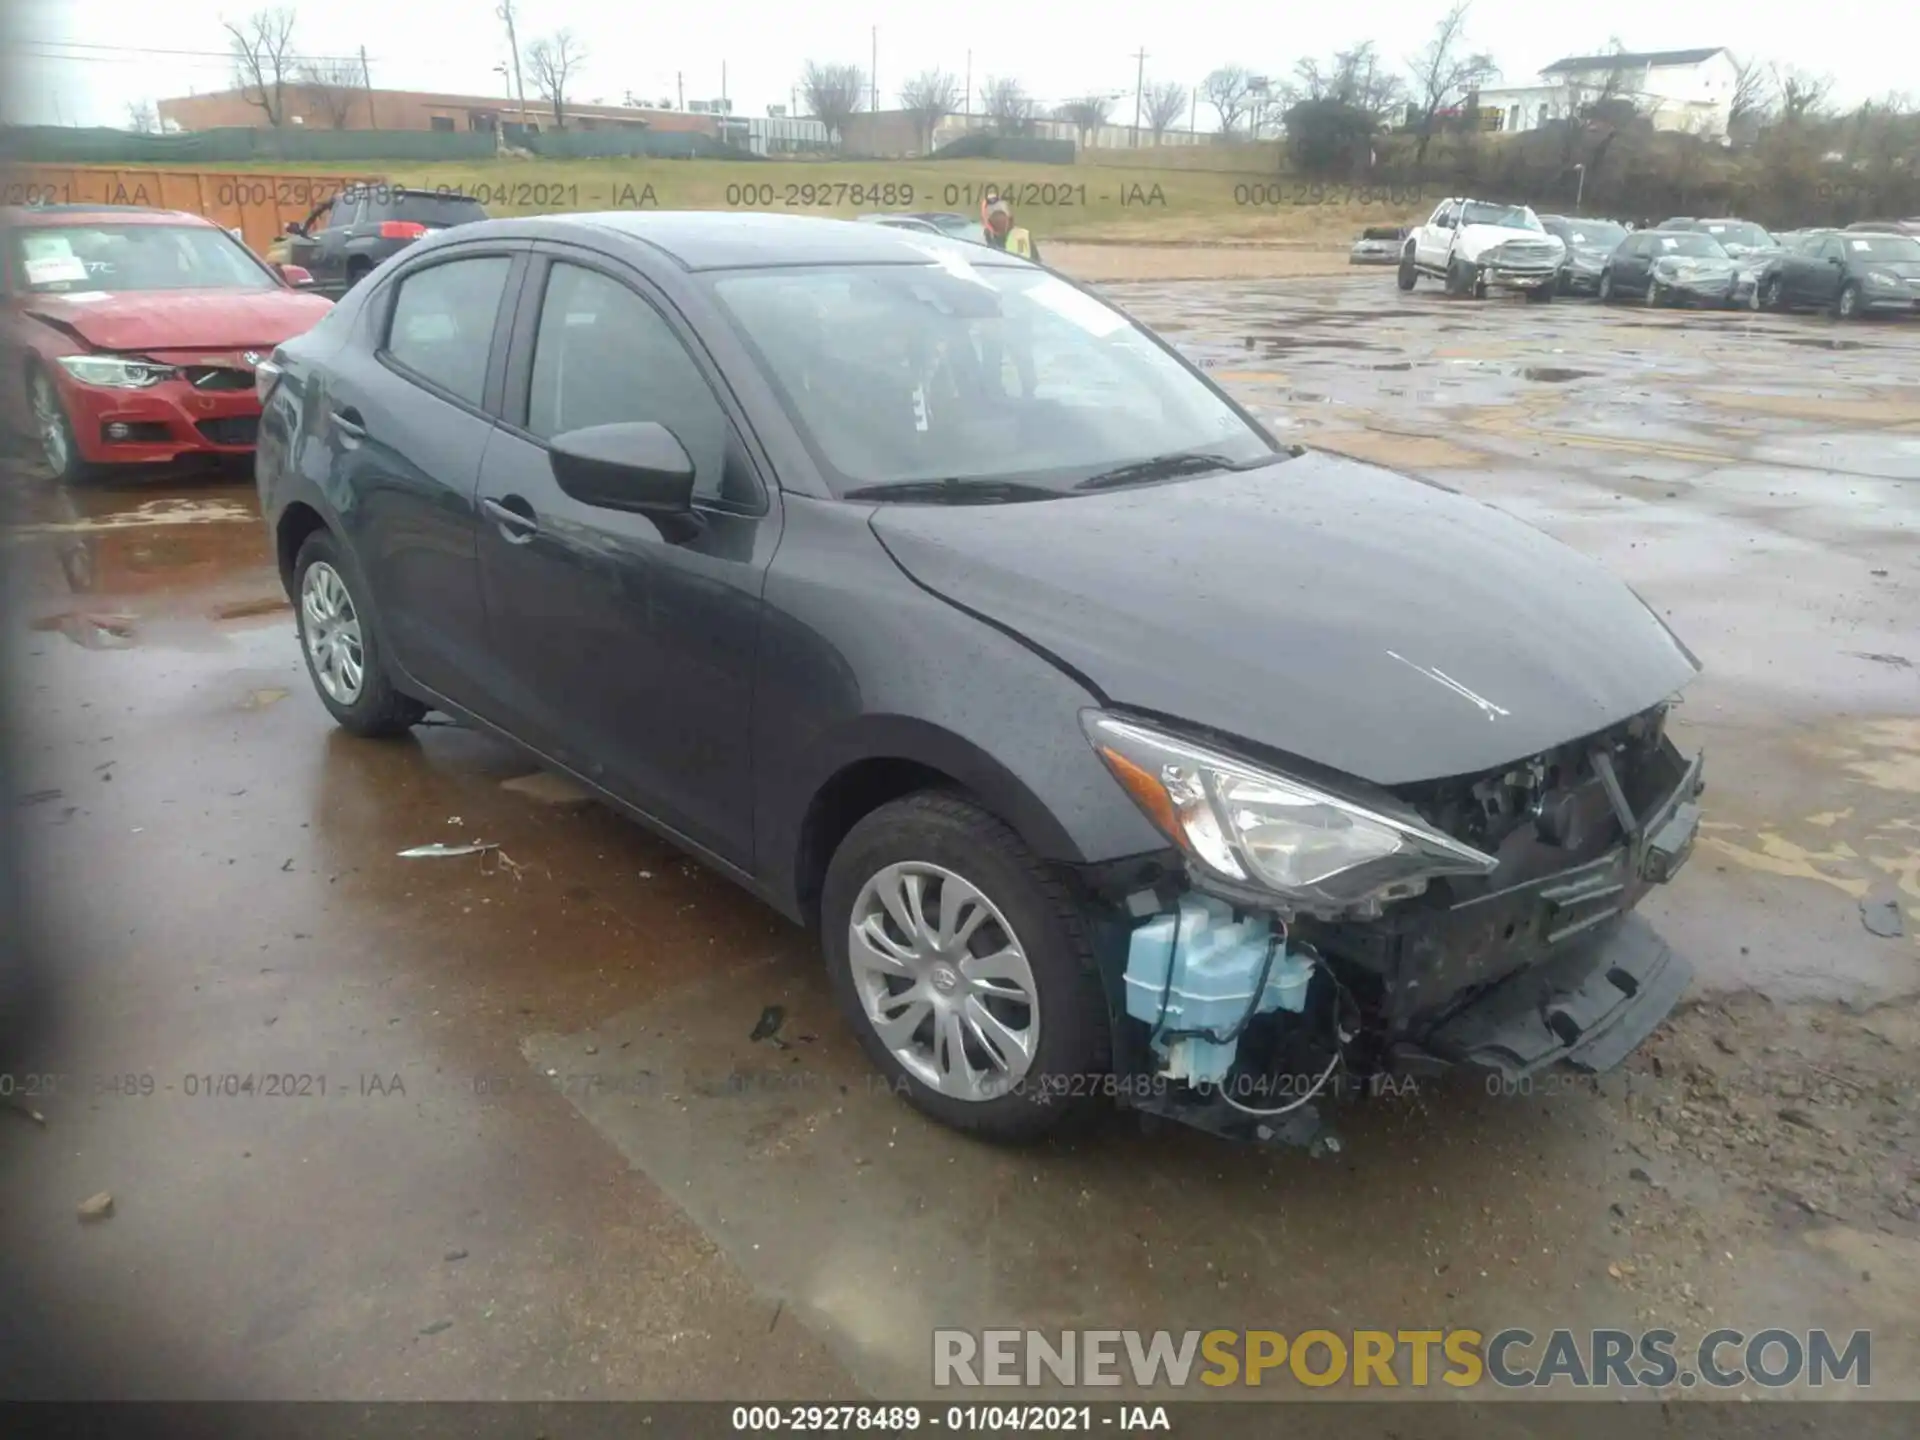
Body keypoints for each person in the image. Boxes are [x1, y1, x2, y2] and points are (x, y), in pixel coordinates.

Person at [979, 190, 1042, 263]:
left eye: (1001, 215)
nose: (999, 220)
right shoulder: (981, 241)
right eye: (995, 217)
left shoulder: (1023, 237)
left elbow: (1039, 265)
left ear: (1009, 218)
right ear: (988, 222)